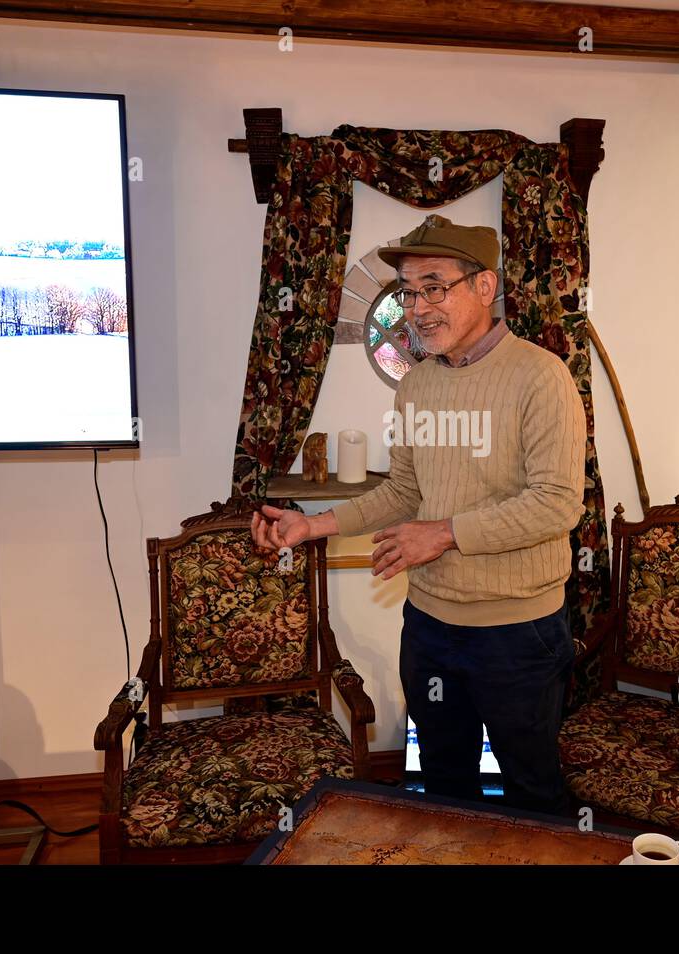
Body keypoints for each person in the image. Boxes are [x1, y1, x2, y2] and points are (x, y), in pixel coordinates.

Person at [251, 213, 585, 816]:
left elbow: (557, 503)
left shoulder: (542, 377)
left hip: (519, 634)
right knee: (443, 793)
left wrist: (446, 534)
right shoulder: (416, 386)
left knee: (534, 797)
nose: (417, 307)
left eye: (435, 286)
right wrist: (312, 526)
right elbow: (404, 491)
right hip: (429, 627)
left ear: (485, 288)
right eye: (409, 292)